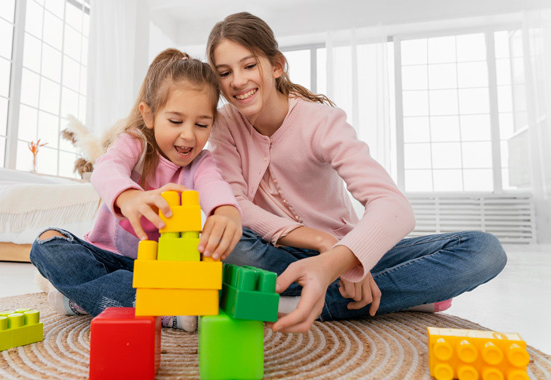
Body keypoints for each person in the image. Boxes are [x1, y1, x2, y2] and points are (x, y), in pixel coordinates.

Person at [206, 12, 507, 334]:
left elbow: (392, 205)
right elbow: (236, 204)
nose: (237, 81)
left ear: (276, 66)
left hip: (345, 249)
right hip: (277, 251)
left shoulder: (322, 121)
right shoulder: (223, 125)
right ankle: (395, 296)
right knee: (227, 239)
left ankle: (303, 301)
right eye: (225, 73)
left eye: (249, 66)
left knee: (484, 250)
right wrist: (321, 243)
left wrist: (343, 257)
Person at [30, 48, 242, 332]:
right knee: (46, 244)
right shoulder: (135, 143)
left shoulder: (201, 163)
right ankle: (158, 309)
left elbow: (215, 185)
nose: (189, 135)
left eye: (202, 124)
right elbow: (107, 167)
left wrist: (226, 211)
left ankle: (91, 298)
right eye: (176, 121)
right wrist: (128, 195)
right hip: (108, 261)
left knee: (221, 282)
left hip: (161, 272)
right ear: (150, 114)